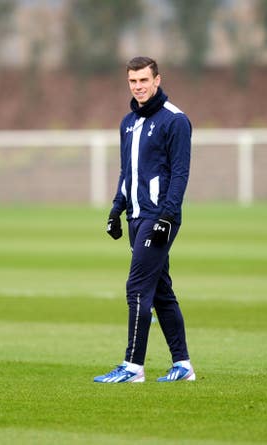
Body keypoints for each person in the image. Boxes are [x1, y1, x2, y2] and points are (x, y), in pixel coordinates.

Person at [94, 56, 195, 383]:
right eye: (133, 82)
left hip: (158, 217)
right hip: (136, 216)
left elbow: (180, 173)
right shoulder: (127, 123)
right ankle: (183, 365)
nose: (138, 87)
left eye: (143, 80)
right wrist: (115, 209)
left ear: (157, 80)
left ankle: (133, 367)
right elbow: (127, 173)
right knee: (160, 290)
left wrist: (167, 215)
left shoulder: (175, 121)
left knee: (137, 286)